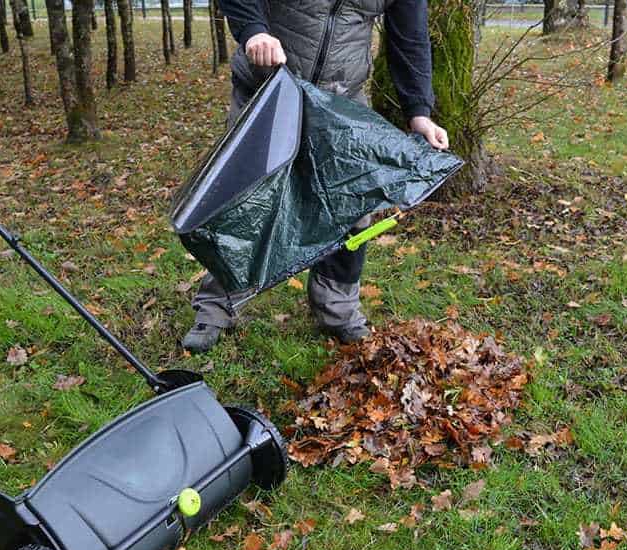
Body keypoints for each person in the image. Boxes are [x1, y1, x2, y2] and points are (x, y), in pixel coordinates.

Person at [182, 0, 449, 353]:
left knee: (351, 205)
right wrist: (254, 30)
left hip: (342, 97)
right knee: (244, 201)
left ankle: (337, 310)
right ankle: (216, 307)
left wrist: (419, 113)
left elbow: (410, 36)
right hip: (268, 88)